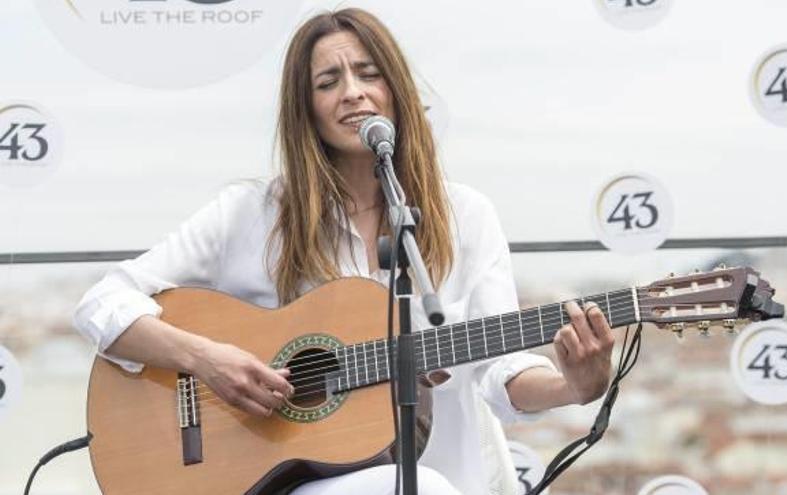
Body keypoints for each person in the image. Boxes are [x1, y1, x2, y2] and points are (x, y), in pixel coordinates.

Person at [73, 8, 614, 495]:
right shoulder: (251, 212)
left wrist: (573, 385)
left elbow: (500, 374)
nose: (352, 92)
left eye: (368, 73)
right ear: (305, 109)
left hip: (441, 478)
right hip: (283, 483)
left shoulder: (466, 216)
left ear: (396, 89)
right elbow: (102, 302)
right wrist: (207, 360)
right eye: (328, 82)